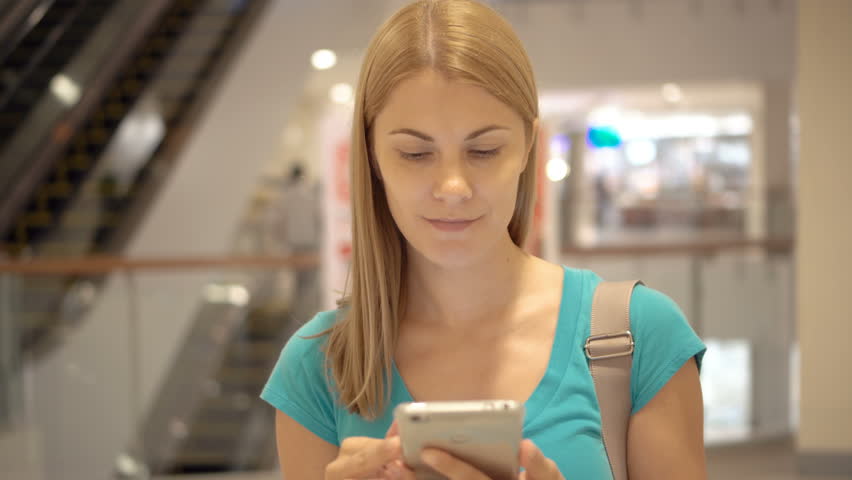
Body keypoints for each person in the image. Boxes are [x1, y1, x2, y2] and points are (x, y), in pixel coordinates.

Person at [260, 1, 706, 479]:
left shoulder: (638, 339)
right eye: (415, 153)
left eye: (484, 149)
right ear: (371, 156)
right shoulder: (317, 366)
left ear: (527, 147)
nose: (453, 186)